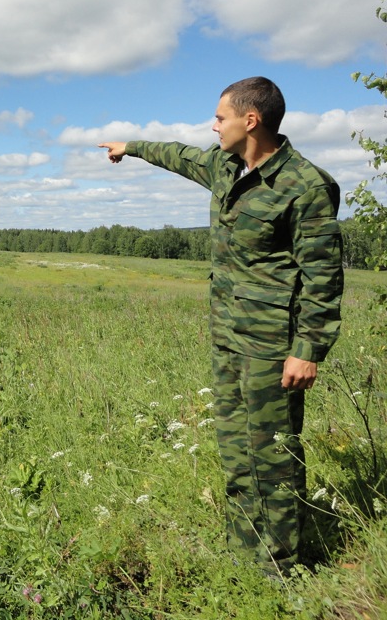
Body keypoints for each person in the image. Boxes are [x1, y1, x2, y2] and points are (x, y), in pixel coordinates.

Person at [98, 76, 344, 577]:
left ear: (250, 120)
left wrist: (308, 349)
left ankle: (279, 567)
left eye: (219, 117)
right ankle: (244, 550)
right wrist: (132, 147)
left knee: (273, 454)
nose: (213, 126)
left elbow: (323, 275)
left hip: (273, 344)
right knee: (236, 449)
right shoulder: (224, 165)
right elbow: (178, 154)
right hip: (228, 338)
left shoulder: (304, 185)